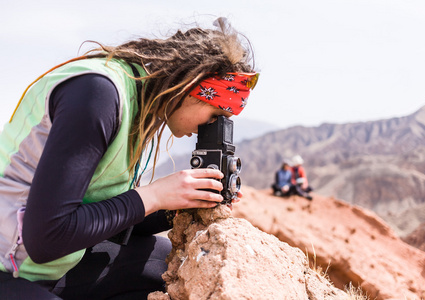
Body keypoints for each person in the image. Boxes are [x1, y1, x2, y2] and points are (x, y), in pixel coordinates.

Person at [0, 18, 258, 300]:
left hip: (50, 261)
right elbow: (46, 238)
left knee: (165, 265)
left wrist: (184, 200)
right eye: (215, 116)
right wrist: (154, 195)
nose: (208, 129)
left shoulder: (143, 106)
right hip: (11, 264)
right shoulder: (99, 94)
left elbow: (109, 217)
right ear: (191, 86)